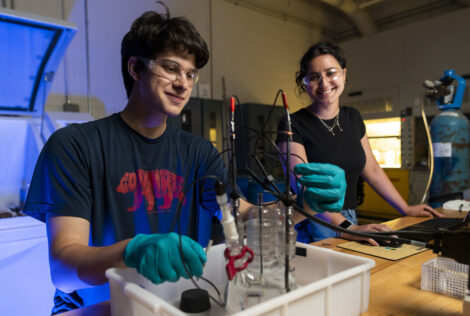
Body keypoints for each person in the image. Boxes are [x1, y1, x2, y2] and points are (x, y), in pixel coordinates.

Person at [23, 8, 346, 314]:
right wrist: (131, 251)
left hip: (174, 305)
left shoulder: (200, 153)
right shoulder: (76, 145)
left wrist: (304, 204)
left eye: (191, 74)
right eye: (171, 68)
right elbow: (64, 272)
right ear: (135, 68)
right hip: (105, 308)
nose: (184, 84)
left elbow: (244, 219)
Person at [277, 41, 442, 246]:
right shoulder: (292, 123)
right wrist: (348, 228)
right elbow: (305, 190)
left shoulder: (353, 117)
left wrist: (405, 209)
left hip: (349, 219)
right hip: (313, 224)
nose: (324, 83)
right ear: (304, 82)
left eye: (331, 73)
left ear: (344, 74)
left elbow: (371, 168)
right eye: (314, 77)